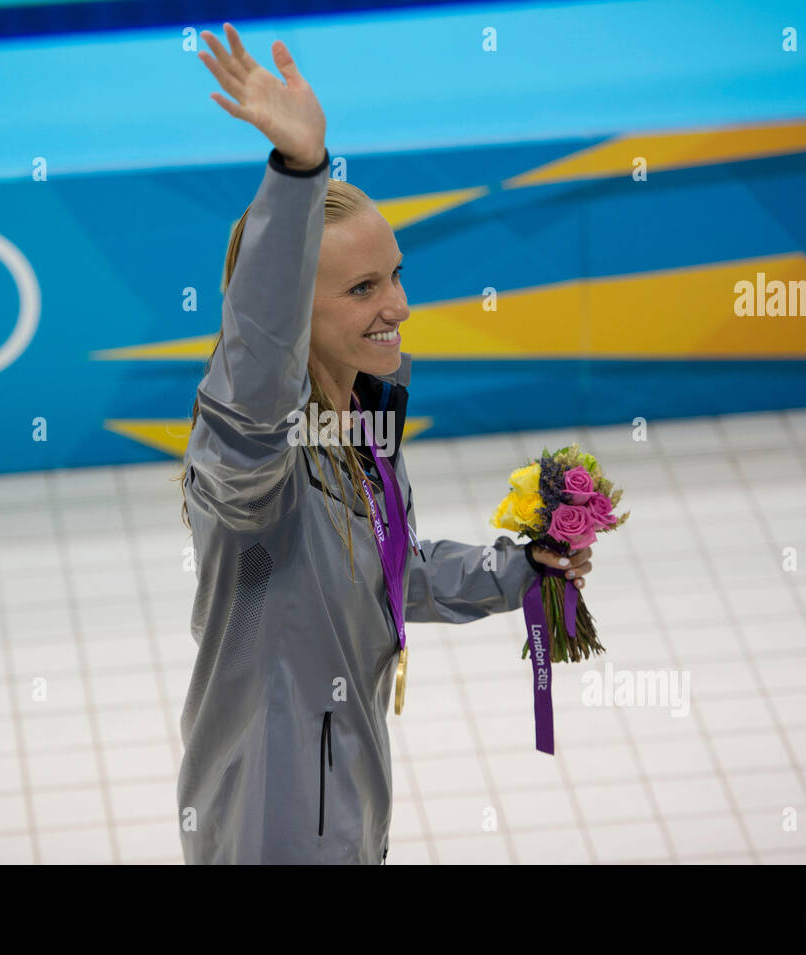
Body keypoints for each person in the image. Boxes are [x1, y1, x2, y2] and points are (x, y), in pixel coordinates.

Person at [175, 22, 592, 864]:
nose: (397, 306)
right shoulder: (254, 467)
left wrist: (521, 570)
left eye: (396, 274)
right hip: (275, 814)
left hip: (347, 788)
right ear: (297, 317)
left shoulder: (357, 426)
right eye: (363, 288)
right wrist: (298, 174)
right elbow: (253, 367)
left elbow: (386, 571)